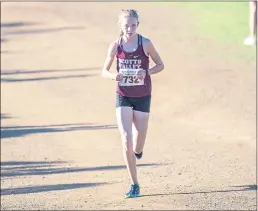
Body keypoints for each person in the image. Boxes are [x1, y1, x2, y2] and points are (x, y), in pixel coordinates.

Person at [102, 9, 164, 198]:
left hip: (143, 95)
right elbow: (104, 70)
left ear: (138, 25)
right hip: (123, 95)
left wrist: (147, 73)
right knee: (126, 140)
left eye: (133, 25)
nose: (130, 28)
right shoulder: (115, 46)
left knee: (138, 143)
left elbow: (161, 64)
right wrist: (114, 76)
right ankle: (134, 184)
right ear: (120, 26)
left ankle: (138, 151)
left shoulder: (145, 43)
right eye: (126, 25)